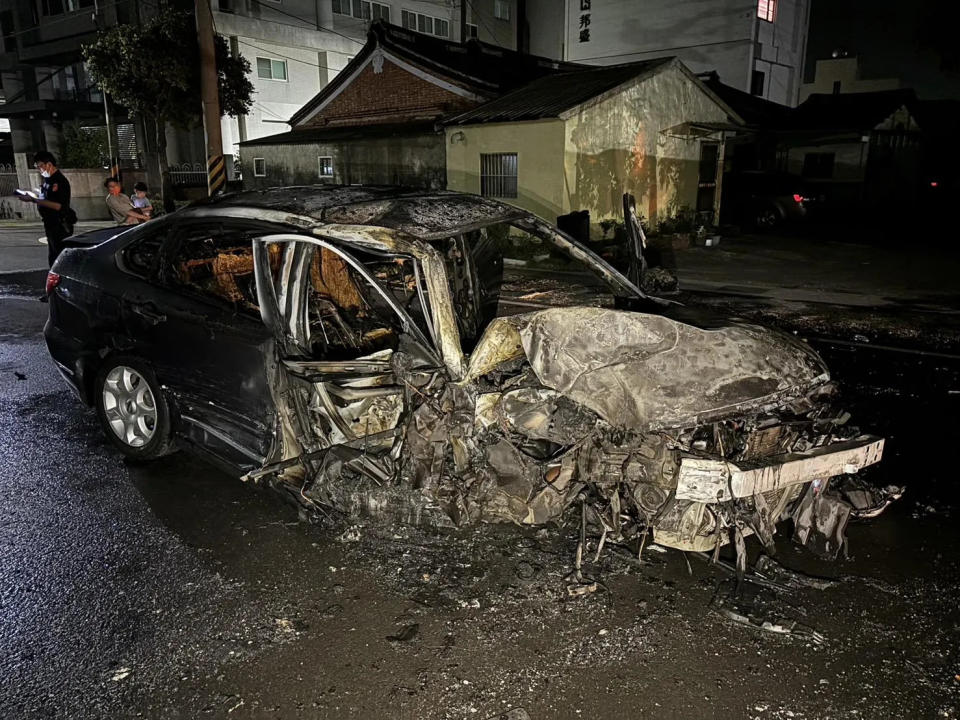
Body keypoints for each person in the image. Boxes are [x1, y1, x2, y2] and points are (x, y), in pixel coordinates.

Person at [16, 151, 74, 268]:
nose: (39, 169)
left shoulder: (60, 181)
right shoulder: (48, 180)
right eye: (37, 166)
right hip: (49, 223)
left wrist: (33, 200)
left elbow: (59, 206)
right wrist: (35, 196)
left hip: (59, 224)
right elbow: (46, 198)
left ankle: (59, 281)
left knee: (59, 257)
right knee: (53, 255)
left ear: (49, 164)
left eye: (40, 166)